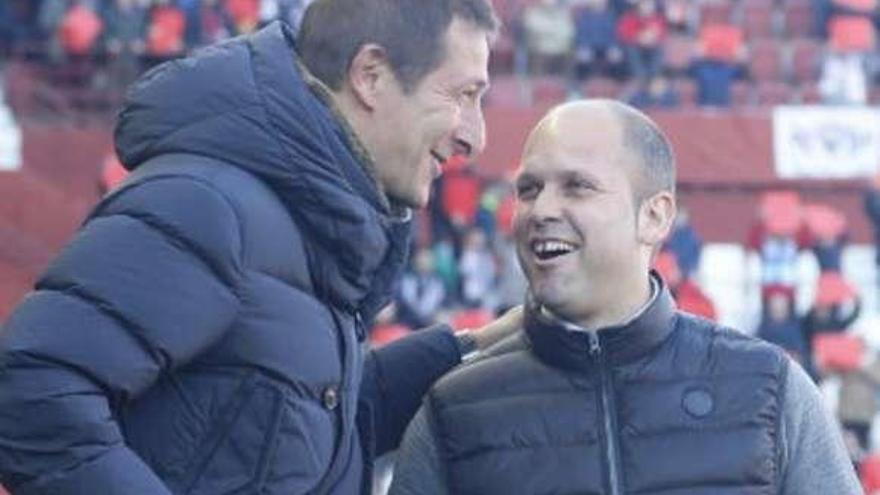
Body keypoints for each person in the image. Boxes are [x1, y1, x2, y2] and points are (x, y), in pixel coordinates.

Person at [0, 1, 522, 493]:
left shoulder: (301, 222)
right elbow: (30, 391)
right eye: (461, 95)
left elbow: (296, 423)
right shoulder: (208, 208)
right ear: (372, 76)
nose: (473, 138)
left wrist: (469, 349)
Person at [389, 100, 861, 495]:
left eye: (578, 186)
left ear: (655, 217)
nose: (541, 210)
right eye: (529, 189)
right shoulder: (453, 409)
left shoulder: (770, 389)